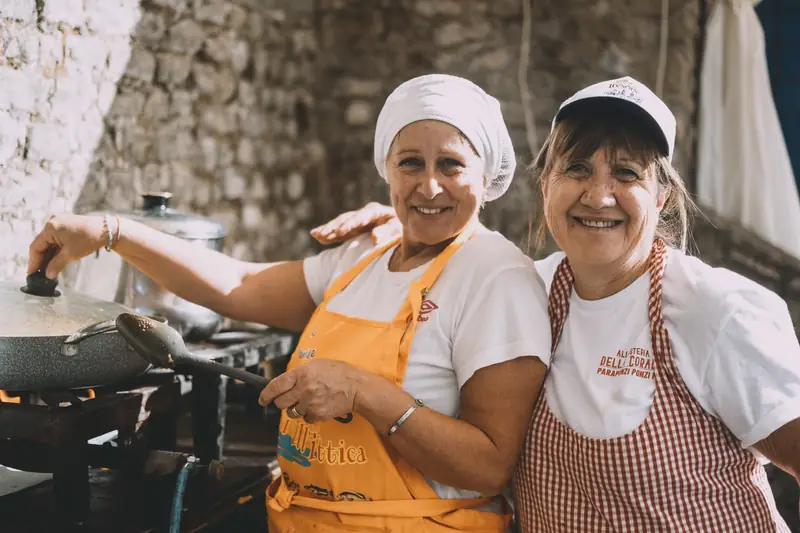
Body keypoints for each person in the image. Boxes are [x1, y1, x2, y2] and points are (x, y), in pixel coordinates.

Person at [26, 74, 552, 533]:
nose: (429, 184)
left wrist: (364, 392)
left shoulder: (495, 277)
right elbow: (239, 286)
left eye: (452, 165)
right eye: (410, 162)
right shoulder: (367, 258)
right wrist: (113, 231)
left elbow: (489, 464)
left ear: (486, 180)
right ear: (386, 169)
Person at [309, 76, 800, 532]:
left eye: (626, 173)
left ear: (662, 196)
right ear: (545, 183)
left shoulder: (714, 311)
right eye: (577, 169)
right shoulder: (522, 291)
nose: (598, 195)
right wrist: (399, 225)